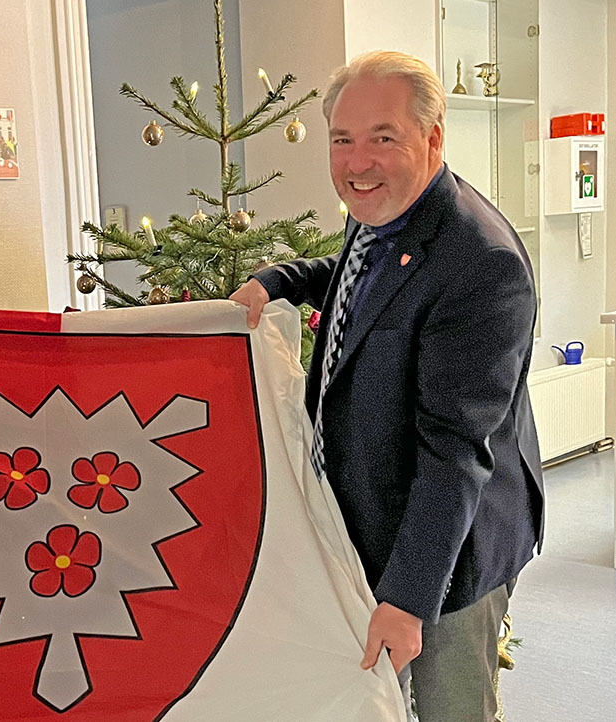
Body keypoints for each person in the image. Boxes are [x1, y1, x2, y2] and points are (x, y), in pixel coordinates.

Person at [231, 50, 542, 721]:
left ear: (433, 138)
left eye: (382, 138)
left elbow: (453, 453)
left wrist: (405, 601)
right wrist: (283, 280)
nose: (357, 162)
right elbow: (362, 277)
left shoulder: (481, 264)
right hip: (375, 521)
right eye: (342, 140)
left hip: (449, 555)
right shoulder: (383, 207)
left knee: (453, 710)